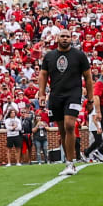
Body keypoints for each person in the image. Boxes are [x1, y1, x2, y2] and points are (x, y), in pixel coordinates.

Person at [37, 28, 94, 176]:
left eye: (67, 36)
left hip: (73, 94)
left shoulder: (79, 55)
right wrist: (42, 94)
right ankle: (69, 162)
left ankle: (70, 162)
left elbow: (88, 77)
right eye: (62, 36)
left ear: (71, 39)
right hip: (56, 95)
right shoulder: (49, 56)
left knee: (70, 125)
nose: (65, 39)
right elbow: (43, 75)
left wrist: (90, 98)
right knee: (62, 130)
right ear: (57, 38)